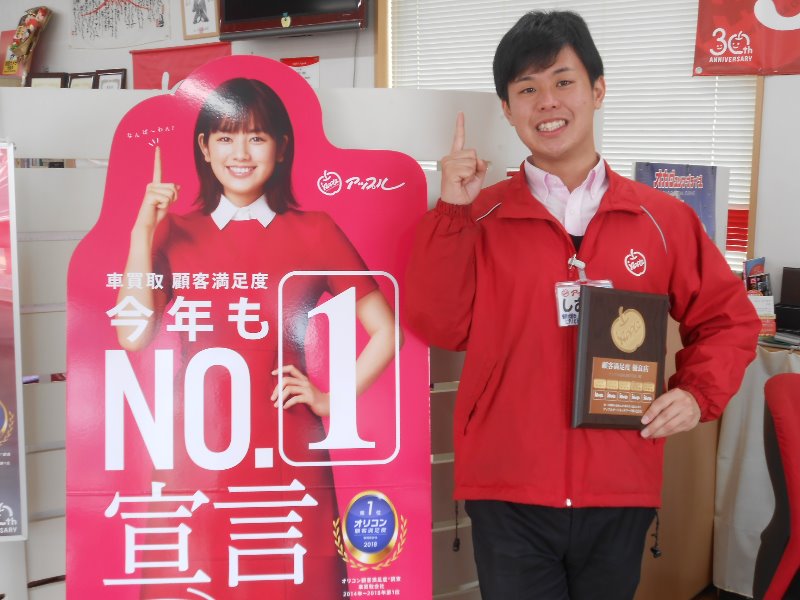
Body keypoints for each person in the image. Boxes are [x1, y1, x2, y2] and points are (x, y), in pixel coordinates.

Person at [405, 10, 761, 600]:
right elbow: (439, 324)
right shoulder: (480, 214)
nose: (547, 101)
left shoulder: (662, 218)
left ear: (597, 90)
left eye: (563, 81)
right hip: (508, 487)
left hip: (619, 484)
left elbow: (728, 320)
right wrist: (452, 213)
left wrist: (697, 395)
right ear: (507, 109)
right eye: (527, 89)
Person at [116, 77, 397, 598]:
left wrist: (330, 399)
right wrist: (142, 232)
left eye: (257, 137)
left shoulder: (315, 230)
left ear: (281, 147)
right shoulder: (173, 231)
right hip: (194, 455)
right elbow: (133, 335)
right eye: (225, 137)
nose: (240, 153)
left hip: (288, 452)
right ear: (204, 148)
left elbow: (387, 331)